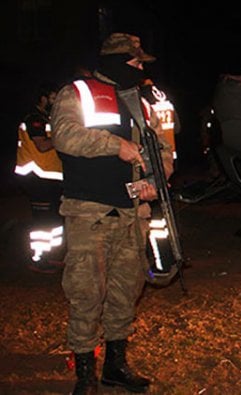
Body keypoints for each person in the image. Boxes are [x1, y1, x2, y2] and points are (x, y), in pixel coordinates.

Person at [51, 32, 173, 394]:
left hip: (133, 212)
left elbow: (162, 149)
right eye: (135, 62)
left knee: (125, 290)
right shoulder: (76, 93)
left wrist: (157, 177)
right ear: (116, 62)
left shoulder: (143, 103)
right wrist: (114, 145)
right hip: (89, 211)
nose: (140, 69)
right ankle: (85, 375)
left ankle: (115, 367)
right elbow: (64, 135)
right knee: (86, 292)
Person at [14, 83, 64, 273]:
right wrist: (65, 137)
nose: (55, 101)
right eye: (53, 97)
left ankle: (49, 256)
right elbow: (42, 145)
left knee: (51, 219)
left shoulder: (47, 118)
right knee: (43, 220)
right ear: (42, 98)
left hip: (50, 176)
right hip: (37, 176)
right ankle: (37, 258)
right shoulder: (34, 118)